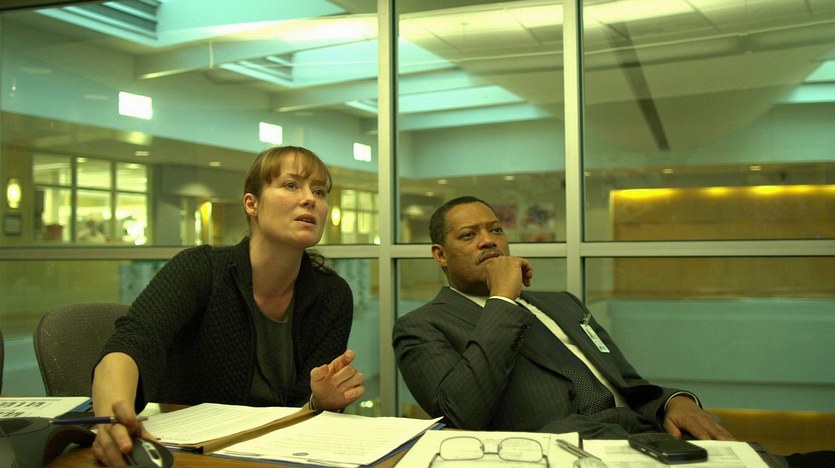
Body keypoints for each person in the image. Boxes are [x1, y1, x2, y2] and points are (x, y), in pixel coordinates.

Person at [91, 146, 365, 466]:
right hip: (190, 452)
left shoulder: (332, 294)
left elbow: (302, 407)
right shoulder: (201, 269)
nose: (310, 199)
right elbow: (134, 340)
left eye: (319, 191)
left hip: (279, 453)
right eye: (291, 185)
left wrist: (320, 402)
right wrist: (113, 421)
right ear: (252, 203)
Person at [393, 195, 733, 440]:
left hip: (646, 433)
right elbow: (461, 415)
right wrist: (502, 301)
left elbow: (627, 381)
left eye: (496, 230)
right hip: (561, 449)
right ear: (440, 255)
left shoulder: (563, 303)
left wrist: (672, 402)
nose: (488, 241)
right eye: (469, 235)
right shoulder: (420, 326)